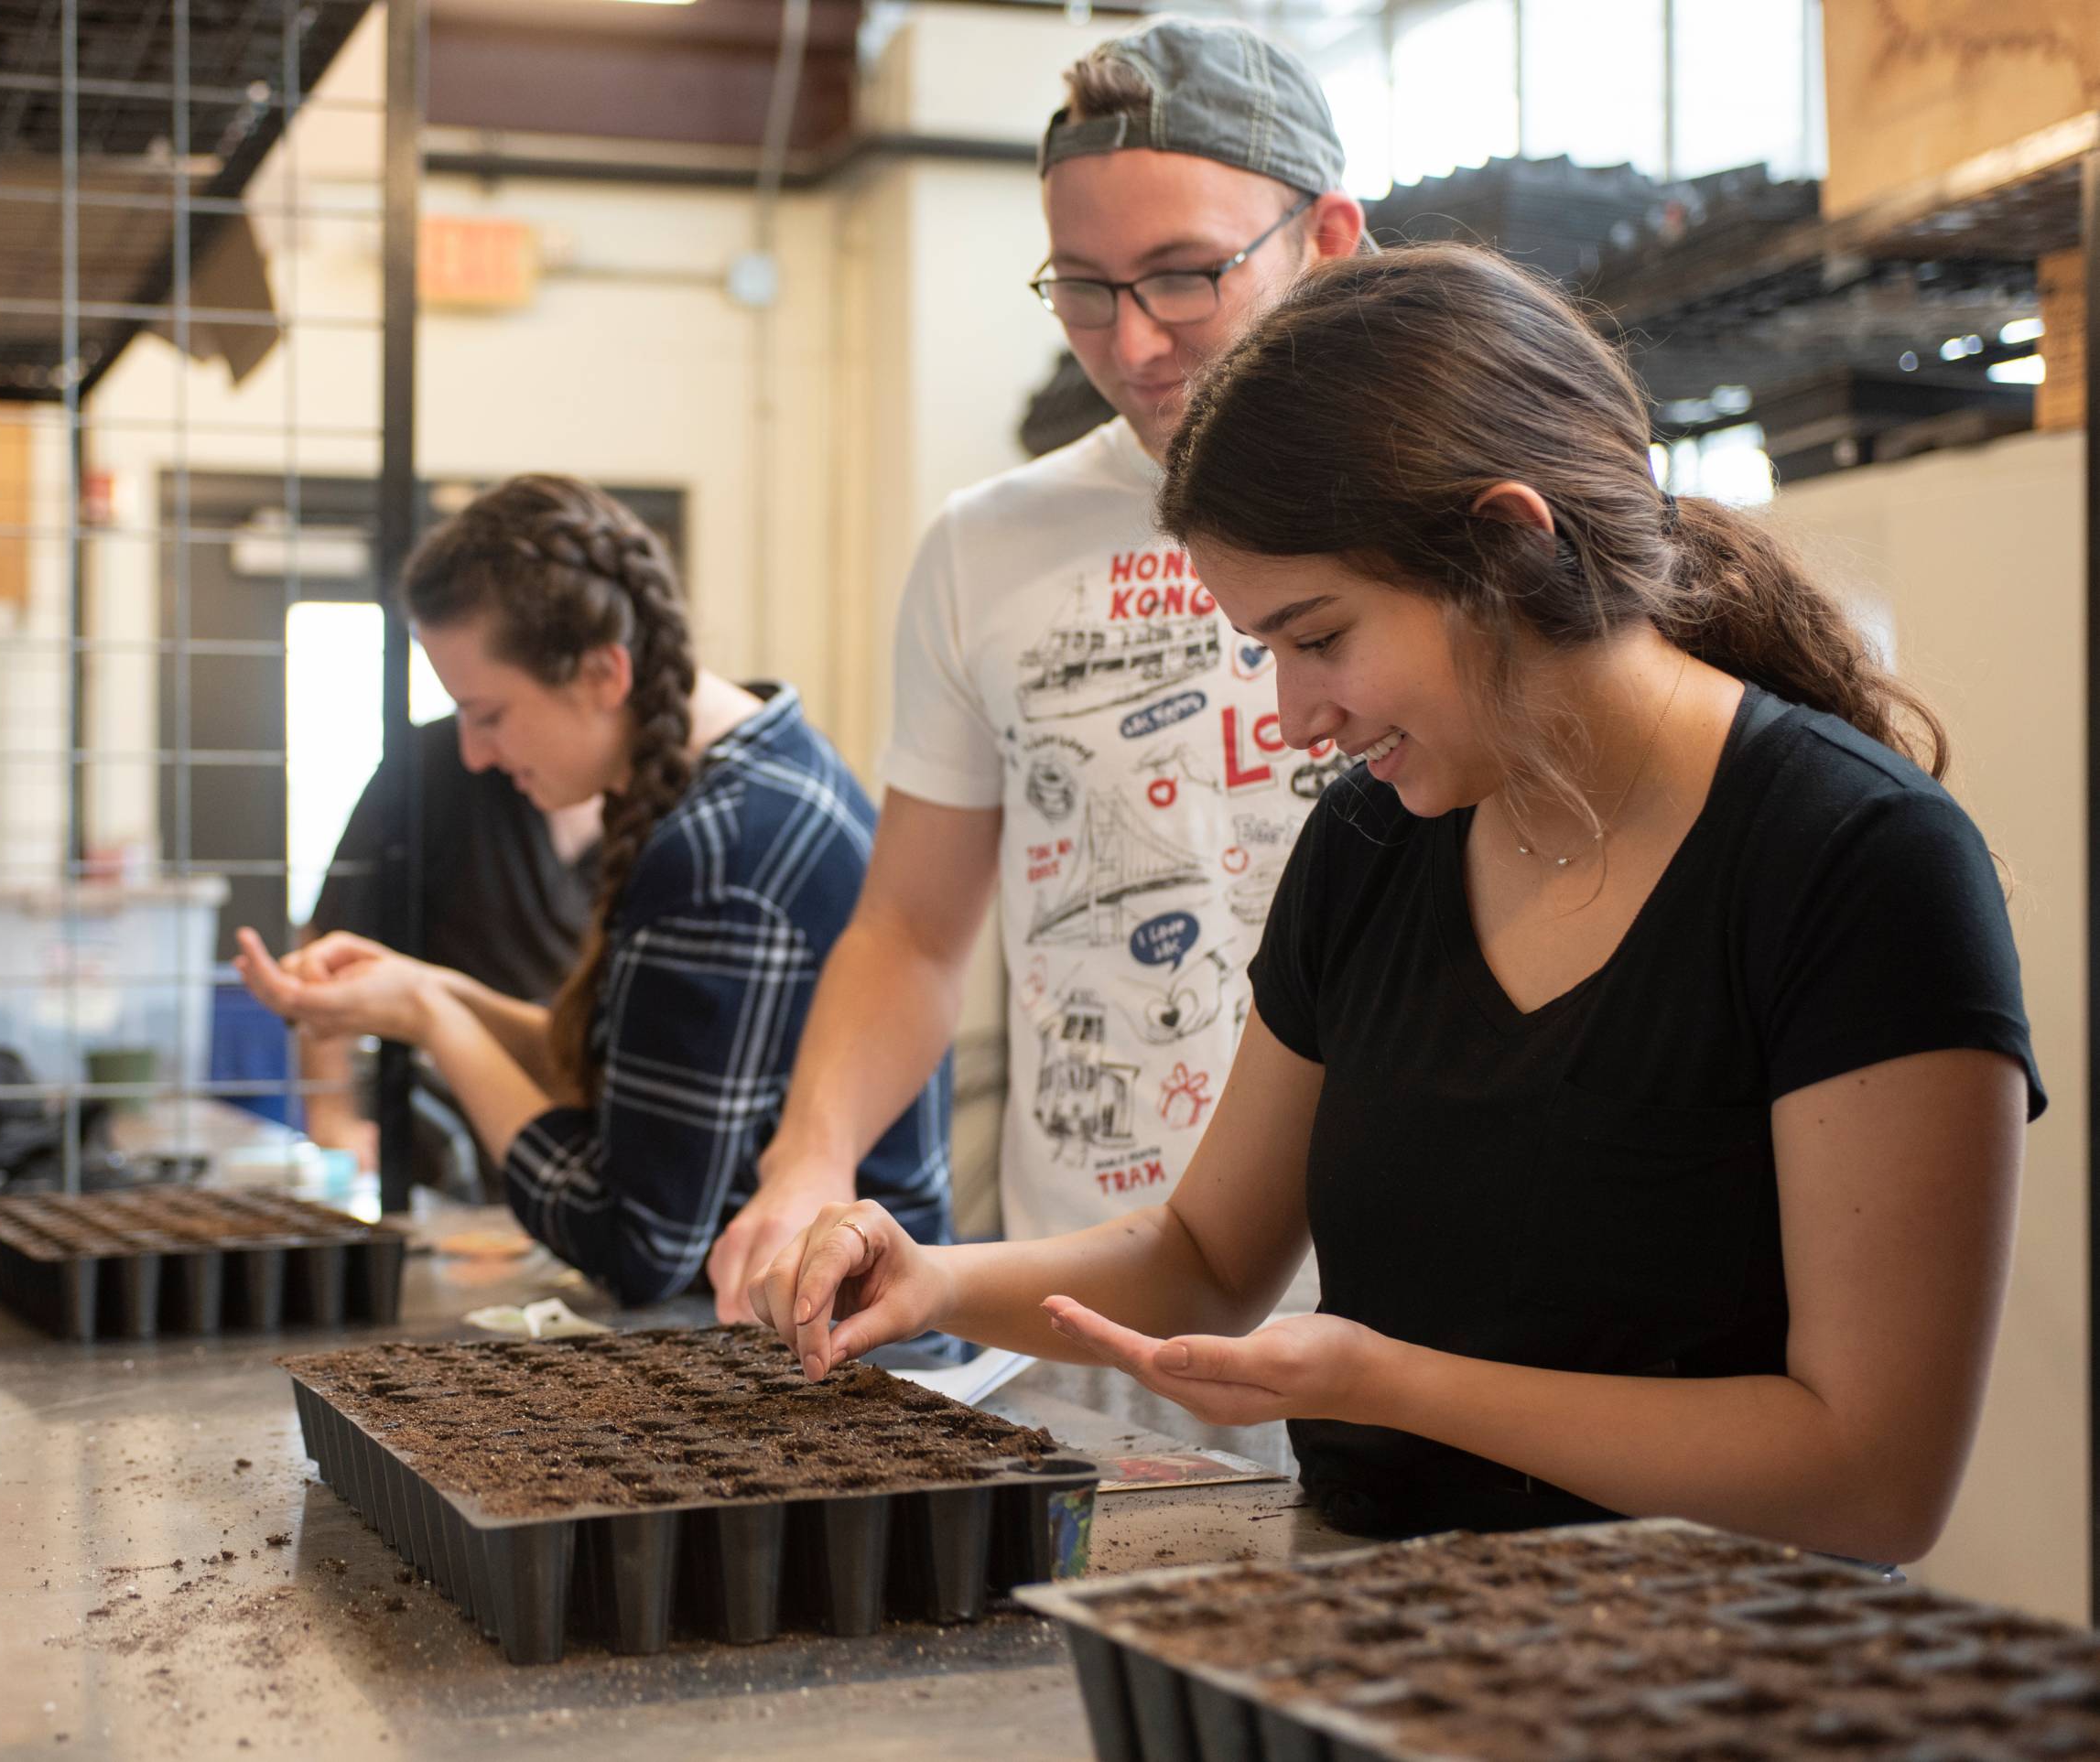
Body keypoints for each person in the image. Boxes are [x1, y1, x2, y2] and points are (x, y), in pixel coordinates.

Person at [751, 245, 2040, 1565]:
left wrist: (1388, 1382)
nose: (1293, 716)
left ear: (1510, 546)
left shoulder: (1857, 863)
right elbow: (1204, 1250)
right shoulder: (1377, 839)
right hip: (1377, 1634)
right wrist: (938, 1282)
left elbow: (1870, 1475)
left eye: (1319, 638)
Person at [709, 19, 1366, 1325]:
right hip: (1090, 1320)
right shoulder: (985, 548)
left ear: (1328, 238)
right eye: (1082, 286)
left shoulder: (1440, 513)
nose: (1131, 346)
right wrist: (810, 1157)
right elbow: (909, 930)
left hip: (1404, 1324)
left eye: (1186, 276)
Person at [234, 474, 953, 1305]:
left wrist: (435, 1020)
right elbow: (625, 1071)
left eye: (489, 713)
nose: (472, 753)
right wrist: (424, 988)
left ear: (603, 673)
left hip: (852, 1350)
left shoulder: (721, 853)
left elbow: (635, 1241)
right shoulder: (766, 757)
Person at [288, 714, 600, 1178]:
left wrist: (431, 1001)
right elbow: (330, 940)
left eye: (493, 715)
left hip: (593, 1122)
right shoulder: (431, 765)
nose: (476, 750)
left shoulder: (665, 805)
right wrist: (333, 1115)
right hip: (453, 1131)